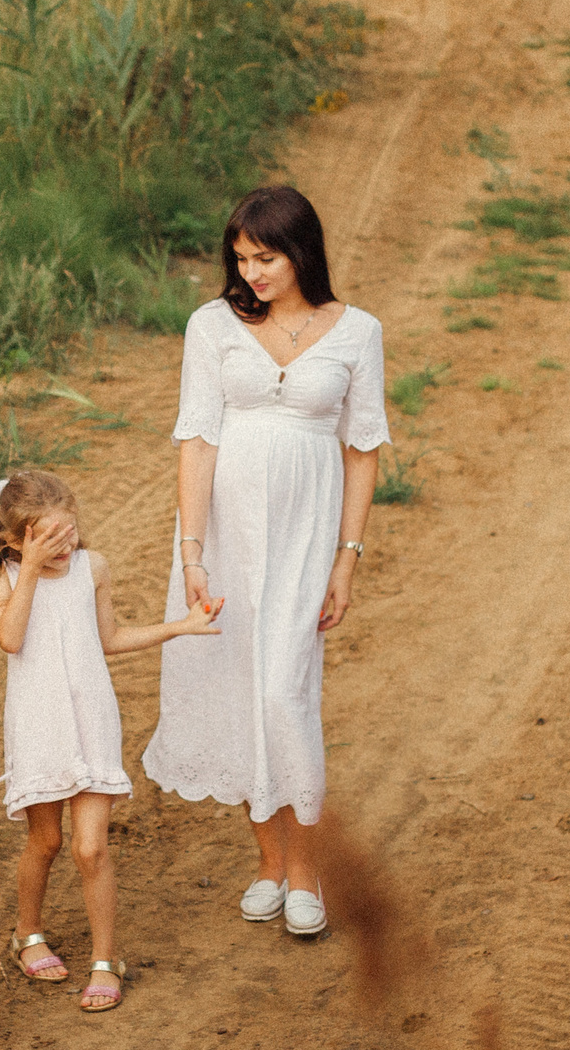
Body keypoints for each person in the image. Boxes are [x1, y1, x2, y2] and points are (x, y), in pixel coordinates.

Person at [145, 185, 389, 938]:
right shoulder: (211, 327)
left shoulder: (357, 333)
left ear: (302, 252)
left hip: (307, 537)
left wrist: (346, 560)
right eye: (241, 257)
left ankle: (307, 865)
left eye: (267, 257)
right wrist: (191, 550)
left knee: (286, 693)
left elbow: (362, 447)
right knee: (240, 687)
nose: (250, 272)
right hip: (227, 536)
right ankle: (268, 863)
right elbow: (197, 438)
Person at [0, 469, 222, 1013]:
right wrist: (31, 571)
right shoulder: (3, 576)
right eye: (47, 540)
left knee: (91, 847)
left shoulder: (94, 568)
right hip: (39, 725)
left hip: (92, 720)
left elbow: (108, 639)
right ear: (15, 541)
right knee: (46, 842)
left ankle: (107, 960)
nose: (65, 547)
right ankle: (27, 933)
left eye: (70, 533)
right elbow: (10, 639)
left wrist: (179, 627)